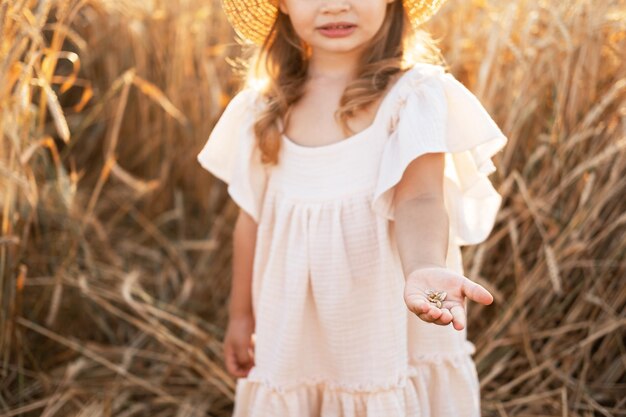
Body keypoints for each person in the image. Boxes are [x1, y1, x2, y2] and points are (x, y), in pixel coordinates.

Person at [197, 0, 508, 415]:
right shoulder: (263, 109)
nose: (335, 5)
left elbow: (421, 198)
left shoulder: (411, 98)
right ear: (282, 5)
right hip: (294, 338)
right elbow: (251, 221)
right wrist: (240, 317)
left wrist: (423, 267)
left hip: (384, 331)